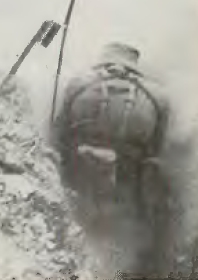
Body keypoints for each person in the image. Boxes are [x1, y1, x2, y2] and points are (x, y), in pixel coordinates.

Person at [50, 42, 174, 273]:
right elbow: (156, 152)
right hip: (127, 175)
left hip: (81, 166)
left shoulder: (79, 83)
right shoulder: (158, 97)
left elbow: (59, 134)